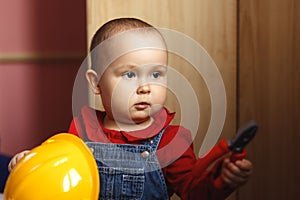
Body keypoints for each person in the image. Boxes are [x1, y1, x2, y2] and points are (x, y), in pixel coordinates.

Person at [9, 18, 253, 200]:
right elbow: (59, 175)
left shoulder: (172, 138)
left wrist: (223, 181)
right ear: (96, 83)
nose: (145, 87)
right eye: (129, 74)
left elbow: (194, 192)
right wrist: (30, 163)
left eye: (156, 74)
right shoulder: (81, 130)